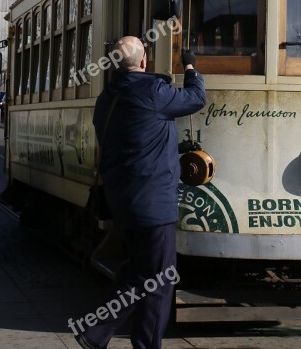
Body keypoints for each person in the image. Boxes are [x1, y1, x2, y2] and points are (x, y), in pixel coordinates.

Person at [73, 37, 205, 349]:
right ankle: (118, 337)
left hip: (123, 201)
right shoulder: (152, 91)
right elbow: (196, 98)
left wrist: (175, 147)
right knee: (161, 279)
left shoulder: (107, 98)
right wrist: (190, 66)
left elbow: (135, 140)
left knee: (140, 270)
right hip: (152, 204)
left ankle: (96, 332)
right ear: (143, 63)